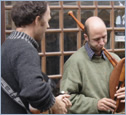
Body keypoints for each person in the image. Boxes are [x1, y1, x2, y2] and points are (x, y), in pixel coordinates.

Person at [1, 1, 71, 114]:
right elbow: (34, 91)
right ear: (37, 20)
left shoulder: (8, 44)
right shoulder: (25, 49)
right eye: (47, 21)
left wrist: (54, 95)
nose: (48, 26)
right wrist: (55, 104)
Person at [60, 16, 125, 114]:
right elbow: (66, 99)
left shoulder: (115, 59)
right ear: (86, 37)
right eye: (97, 39)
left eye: (104, 37)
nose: (102, 43)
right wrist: (95, 104)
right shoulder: (75, 62)